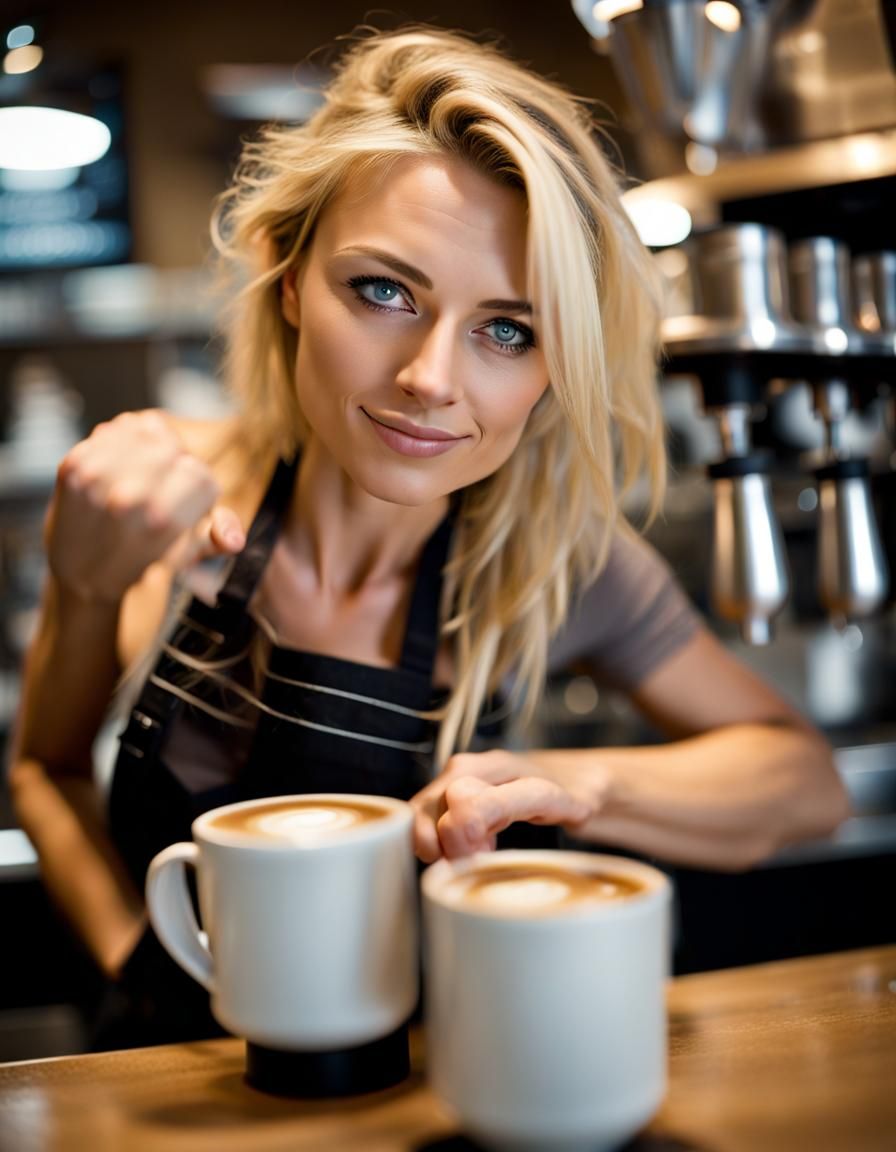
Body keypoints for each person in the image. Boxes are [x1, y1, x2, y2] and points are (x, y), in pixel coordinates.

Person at [9, 27, 848, 1049]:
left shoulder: (552, 559)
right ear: (286, 276)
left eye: (508, 329)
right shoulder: (160, 497)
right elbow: (40, 770)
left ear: (553, 367)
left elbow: (801, 784)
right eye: (383, 291)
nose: (430, 379)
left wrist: (578, 783)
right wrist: (137, 966)